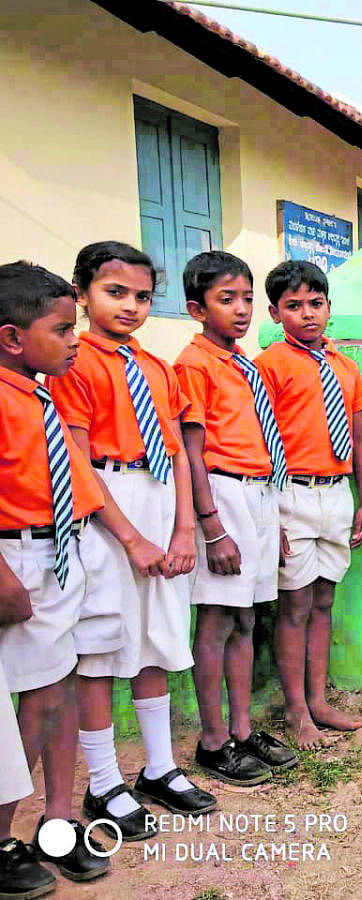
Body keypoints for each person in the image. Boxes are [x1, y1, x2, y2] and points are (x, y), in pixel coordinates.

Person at [48, 242, 217, 841]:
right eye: (114, 292)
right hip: (104, 513)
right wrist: (130, 538)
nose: (130, 306)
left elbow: (174, 450)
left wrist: (180, 529)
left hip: (159, 497)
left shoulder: (157, 368)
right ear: (82, 292)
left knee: (156, 641)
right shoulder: (74, 365)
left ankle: (160, 767)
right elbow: (77, 460)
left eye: (142, 296)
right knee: (102, 648)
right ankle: (101, 781)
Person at [0, 261, 111, 891]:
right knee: (34, 705)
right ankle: (2, 841)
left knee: (59, 693)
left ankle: (59, 823)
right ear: (14, 337)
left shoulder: (39, 392)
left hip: (58, 552)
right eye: (63, 329)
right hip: (17, 563)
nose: (75, 340)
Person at [173, 251, 295, 785]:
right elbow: (191, 450)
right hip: (222, 496)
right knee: (218, 621)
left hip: (260, 494)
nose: (242, 309)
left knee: (247, 619)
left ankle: (243, 732)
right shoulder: (193, 365)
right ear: (197, 309)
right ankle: (212, 739)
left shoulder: (243, 362)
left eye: (247, 298)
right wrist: (212, 526)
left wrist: (277, 519)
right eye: (228, 299)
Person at [256, 260, 362, 749]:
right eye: (294, 306)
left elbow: (361, 438)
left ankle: (319, 701)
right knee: (295, 604)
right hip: (291, 493)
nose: (308, 314)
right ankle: (296, 711)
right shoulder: (268, 366)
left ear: (329, 308)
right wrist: (270, 512)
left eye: (316, 304)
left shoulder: (345, 367)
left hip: (336, 493)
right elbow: (259, 440)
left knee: (325, 599)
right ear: (275, 312)